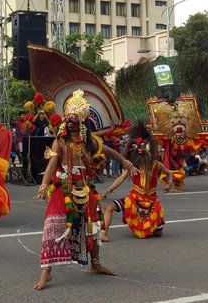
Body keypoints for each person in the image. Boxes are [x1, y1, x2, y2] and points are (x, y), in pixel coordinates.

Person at [33, 90, 136, 290]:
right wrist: (44, 186)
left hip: (86, 190)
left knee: (93, 227)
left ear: (82, 121)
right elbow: (52, 165)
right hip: (63, 188)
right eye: (68, 118)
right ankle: (46, 271)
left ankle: (96, 264)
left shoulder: (90, 143)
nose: (70, 121)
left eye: (74, 118)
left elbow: (109, 151)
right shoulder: (59, 141)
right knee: (53, 227)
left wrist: (126, 162)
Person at [100, 122, 173, 241]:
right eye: (138, 146)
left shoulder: (156, 164)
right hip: (134, 199)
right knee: (110, 207)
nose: (140, 149)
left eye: (143, 146)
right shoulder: (132, 166)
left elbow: (169, 173)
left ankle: (155, 226)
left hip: (151, 201)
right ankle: (104, 233)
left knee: (157, 232)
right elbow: (120, 178)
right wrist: (109, 190)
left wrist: (169, 182)